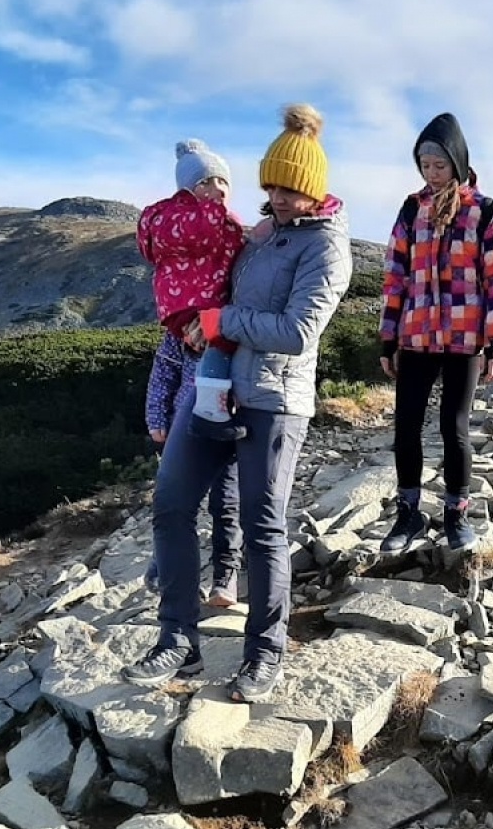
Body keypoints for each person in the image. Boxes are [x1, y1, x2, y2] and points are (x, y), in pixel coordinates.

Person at [129, 104, 350, 703]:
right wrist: (199, 323)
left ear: (312, 189)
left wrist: (220, 320)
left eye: (287, 191)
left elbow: (299, 332)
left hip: (275, 399)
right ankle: (178, 639)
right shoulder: (261, 234)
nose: (276, 199)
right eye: (270, 188)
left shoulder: (328, 248)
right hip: (214, 387)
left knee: (262, 524)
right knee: (171, 503)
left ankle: (264, 653)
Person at [379, 113, 493, 554]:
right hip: (415, 337)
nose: (432, 173)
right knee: (406, 427)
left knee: (454, 428)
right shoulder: (411, 209)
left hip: (465, 339)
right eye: (425, 165)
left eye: (439, 164)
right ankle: (408, 514)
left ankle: (457, 514)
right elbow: (395, 277)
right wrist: (388, 338)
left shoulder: (484, 211)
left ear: (457, 161)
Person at [137, 140, 248, 439]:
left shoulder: (180, 222)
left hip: (188, 307)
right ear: (187, 190)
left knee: (212, 348)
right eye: (206, 182)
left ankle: (210, 415)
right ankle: (211, 414)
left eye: (223, 181)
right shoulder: (200, 221)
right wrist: (157, 420)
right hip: (197, 307)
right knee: (217, 347)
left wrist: (156, 420)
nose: (217, 189)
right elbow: (165, 369)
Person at [143, 331, 240, 606]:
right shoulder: (183, 326)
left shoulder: (245, 320)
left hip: (233, 425)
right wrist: (156, 417)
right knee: (176, 503)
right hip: (188, 426)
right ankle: (165, 571)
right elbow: (164, 371)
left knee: (227, 502)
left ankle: (225, 578)